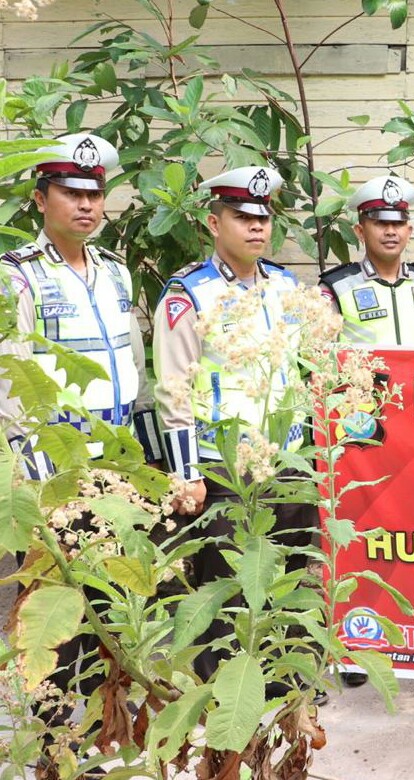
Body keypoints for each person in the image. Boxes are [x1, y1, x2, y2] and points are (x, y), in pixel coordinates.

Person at [0, 132, 160, 771]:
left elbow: (137, 375)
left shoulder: (117, 273)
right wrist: (36, 482)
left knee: (111, 603)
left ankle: (103, 727)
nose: (87, 205)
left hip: (113, 472)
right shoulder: (17, 275)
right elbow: (11, 380)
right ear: (41, 198)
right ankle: (48, 738)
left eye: (96, 193)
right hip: (53, 475)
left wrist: (144, 470)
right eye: (72, 192)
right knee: (51, 612)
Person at [152, 165, 320, 690]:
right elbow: (172, 390)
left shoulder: (286, 286)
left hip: (287, 466)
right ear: (213, 221)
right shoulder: (189, 295)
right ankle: (226, 690)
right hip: (224, 469)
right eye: (242, 217)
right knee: (225, 584)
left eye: (263, 218)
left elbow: (303, 371)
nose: (256, 228)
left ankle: (282, 683)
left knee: (286, 573)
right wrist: (185, 474)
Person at [319, 174, 414, 347]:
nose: (390, 231)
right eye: (381, 223)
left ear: (409, 231)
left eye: (398, 223)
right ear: (360, 232)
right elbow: (318, 357)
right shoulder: (337, 286)